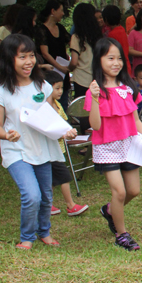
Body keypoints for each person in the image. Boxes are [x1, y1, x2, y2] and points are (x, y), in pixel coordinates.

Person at [0, 34, 77, 249]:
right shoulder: (1, 92)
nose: (29, 62)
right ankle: (27, 237)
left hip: (43, 148)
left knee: (46, 197)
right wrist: (7, 134)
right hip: (17, 150)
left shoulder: (43, 86)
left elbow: (50, 116)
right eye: (22, 57)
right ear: (9, 59)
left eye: (31, 56)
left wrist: (66, 130)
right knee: (31, 195)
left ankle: (44, 232)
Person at [85, 38, 142, 251]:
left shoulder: (127, 88)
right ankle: (121, 234)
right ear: (99, 61)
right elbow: (95, 125)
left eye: (119, 59)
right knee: (120, 192)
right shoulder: (94, 91)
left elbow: (136, 121)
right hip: (106, 147)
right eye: (110, 58)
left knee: (133, 191)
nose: (116, 63)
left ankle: (110, 211)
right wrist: (96, 100)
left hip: (129, 145)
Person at [44, 71, 89, 217]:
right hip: (49, 149)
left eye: (61, 88)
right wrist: (63, 133)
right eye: (56, 88)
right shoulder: (43, 108)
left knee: (49, 178)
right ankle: (70, 205)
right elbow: (48, 129)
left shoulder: (57, 105)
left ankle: (47, 204)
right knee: (64, 176)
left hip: (59, 148)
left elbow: (64, 123)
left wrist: (70, 131)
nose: (60, 91)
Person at [37, 0, 71, 110]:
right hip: (49, 71)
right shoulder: (42, 30)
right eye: (61, 10)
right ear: (53, 11)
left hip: (62, 71)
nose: (63, 13)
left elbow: (70, 42)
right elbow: (45, 53)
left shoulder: (61, 28)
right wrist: (59, 67)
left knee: (63, 101)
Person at [68, 3, 102, 101]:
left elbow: (74, 62)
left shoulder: (76, 37)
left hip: (81, 79)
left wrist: (67, 69)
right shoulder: (97, 35)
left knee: (83, 109)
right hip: (97, 77)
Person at [102, 5, 132, 76]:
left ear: (106, 19)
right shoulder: (121, 29)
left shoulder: (112, 34)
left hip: (119, 67)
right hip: (126, 64)